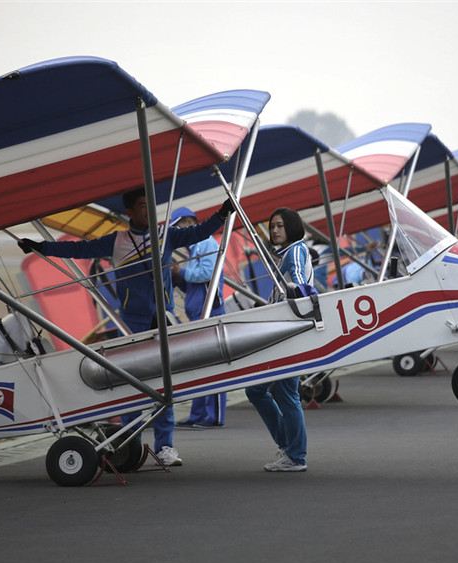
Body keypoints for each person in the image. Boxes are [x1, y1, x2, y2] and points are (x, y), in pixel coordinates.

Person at [18, 189, 234, 466]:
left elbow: (198, 233)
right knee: (128, 383)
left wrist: (222, 214)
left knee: (163, 383)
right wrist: (41, 247)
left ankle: (165, 447)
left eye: (151, 206)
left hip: (162, 320)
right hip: (130, 321)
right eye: (143, 206)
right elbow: (79, 249)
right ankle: (128, 443)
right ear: (130, 212)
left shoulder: (165, 234)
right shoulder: (117, 240)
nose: (149, 211)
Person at [244, 207, 314, 472]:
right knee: (257, 390)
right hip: (283, 329)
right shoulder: (286, 252)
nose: (274, 230)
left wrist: (299, 292)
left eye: (280, 226)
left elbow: (296, 278)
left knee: (286, 393)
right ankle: (289, 448)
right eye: (272, 225)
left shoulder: (295, 249)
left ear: (292, 228)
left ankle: (295, 455)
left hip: (288, 330)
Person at [169, 207, 227, 430]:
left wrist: (180, 273)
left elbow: (207, 274)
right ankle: (198, 413)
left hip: (209, 312)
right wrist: (180, 278)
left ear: (189, 222)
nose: (178, 233)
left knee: (211, 366)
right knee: (199, 367)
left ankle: (213, 416)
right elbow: (195, 282)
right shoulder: (195, 248)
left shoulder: (207, 244)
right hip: (197, 313)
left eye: (178, 227)